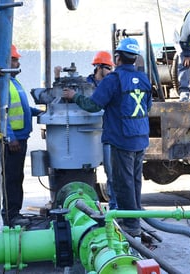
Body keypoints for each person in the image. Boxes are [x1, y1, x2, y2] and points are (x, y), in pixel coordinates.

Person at [62, 38, 152, 236]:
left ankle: (130, 226)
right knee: (135, 181)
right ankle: (133, 217)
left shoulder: (113, 80)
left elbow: (94, 105)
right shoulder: (144, 79)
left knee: (123, 182)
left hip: (122, 138)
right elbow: (148, 107)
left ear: (118, 58)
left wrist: (74, 97)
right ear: (135, 58)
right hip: (140, 137)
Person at [0, 44, 43, 227]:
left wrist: (42, 112)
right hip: (11, 140)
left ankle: (14, 213)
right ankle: (11, 216)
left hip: (19, 138)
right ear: (5, 61)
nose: (18, 62)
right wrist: (10, 137)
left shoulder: (13, 82)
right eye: (14, 59)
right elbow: (0, 111)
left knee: (16, 177)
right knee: (10, 178)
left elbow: (21, 109)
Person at [54, 51, 118, 210]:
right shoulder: (85, 84)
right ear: (99, 67)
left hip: (106, 131)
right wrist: (56, 78)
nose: (110, 71)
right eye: (108, 68)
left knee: (112, 173)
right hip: (89, 134)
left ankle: (114, 205)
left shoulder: (111, 83)